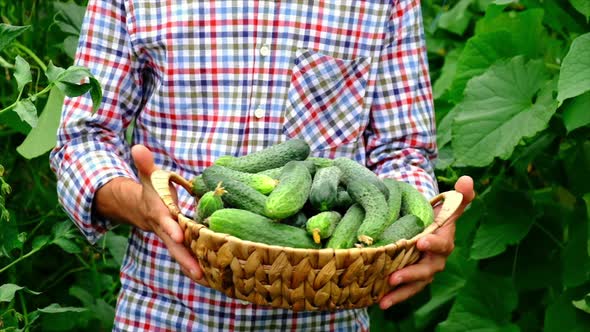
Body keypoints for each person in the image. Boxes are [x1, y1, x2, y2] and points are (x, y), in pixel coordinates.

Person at [50, 0, 475, 330]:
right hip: (166, 313)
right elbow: (83, 138)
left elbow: (401, 151)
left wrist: (417, 227)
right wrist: (138, 203)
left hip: (327, 315)